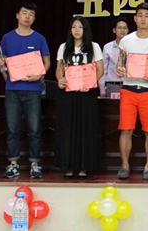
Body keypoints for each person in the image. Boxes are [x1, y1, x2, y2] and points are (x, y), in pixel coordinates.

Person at [115, 3, 148, 180]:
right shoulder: (126, 40)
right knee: (126, 129)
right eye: (140, 15)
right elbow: (120, 64)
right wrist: (120, 70)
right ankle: (124, 166)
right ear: (135, 18)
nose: (143, 19)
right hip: (128, 89)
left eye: (147, 15)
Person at [0, 2, 51, 179]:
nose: (28, 17)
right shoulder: (7, 38)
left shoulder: (39, 38)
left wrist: (39, 76)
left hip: (33, 89)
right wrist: (6, 75)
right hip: (12, 90)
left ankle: (35, 164)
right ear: (17, 15)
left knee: (34, 128)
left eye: (31, 14)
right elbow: (3, 62)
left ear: (34, 18)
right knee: (12, 128)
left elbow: (47, 62)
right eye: (25, 13)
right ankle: (13, 164)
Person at [54, 16, 105, 178]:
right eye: (74, 27)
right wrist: (60, 80)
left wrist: (89, 83)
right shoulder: (63, 47)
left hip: (86, 93)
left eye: (80, 27)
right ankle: (69, 166)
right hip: (68, 94)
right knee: (67, 129)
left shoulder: (94, 47)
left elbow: (100, 70)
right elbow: (59, 70)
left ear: (85, 30)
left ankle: (84, 166)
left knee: (86, 129)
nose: (76, 30)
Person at [99, 16, 128, 97]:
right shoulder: (107, 47)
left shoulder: (132, 47)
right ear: (114, 30)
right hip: (112, 86)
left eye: (124, 28)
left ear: (128, 30)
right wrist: (102, 89)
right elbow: (103, 69)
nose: (122, 30)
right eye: (119, 28)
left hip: (129, 85)